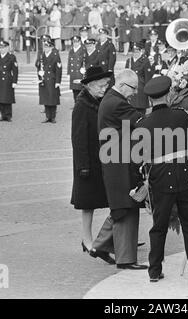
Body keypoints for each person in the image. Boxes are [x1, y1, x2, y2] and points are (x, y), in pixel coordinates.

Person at [136, 75, 188, 285]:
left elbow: (139, 156)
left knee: (158, 227)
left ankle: (154, 271)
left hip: (160, 179)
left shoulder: (143, 124)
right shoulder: (183, 115)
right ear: (168, 94)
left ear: (150, 100)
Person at [92, 69, 147, 270]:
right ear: (123, 85)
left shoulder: (112, 99)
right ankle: (125, 259)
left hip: (117, 160)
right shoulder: (117, 103)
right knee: (126, 206)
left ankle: (100, 246)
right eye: (132, 89)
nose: (134, 93)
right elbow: (142, 122)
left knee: (122, 205)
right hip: (119, 162)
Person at [71, 66, 112, 254]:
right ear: (90, 85)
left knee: (112, 200)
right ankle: (86, 239)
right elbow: (78, 139)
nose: (105, 89)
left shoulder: (100, 100)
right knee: (88, 205)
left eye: (106, 85)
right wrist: (83, 166)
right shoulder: (82, 105)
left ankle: (113, 237)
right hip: (88, 162)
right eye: (102, 86)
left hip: (103, 158)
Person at [0, 41, 18, 122]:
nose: (1, 49)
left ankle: (8, 115)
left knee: (7, 98)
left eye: (3, 48)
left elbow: (15, 70)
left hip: (7, 79)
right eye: (0, 48)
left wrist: (14, 82)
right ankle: (2, 115)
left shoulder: (11, 57)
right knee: (0, 98)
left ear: (7, 48)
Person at [36, 39, 62, 123]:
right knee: (45, 98)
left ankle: (53, 117)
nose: (46, 49)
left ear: (51, 47)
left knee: (52, 99)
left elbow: (58, 70)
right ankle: (47, 117)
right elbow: (38, 66)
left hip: (52, 79)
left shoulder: (55, 55)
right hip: (44, 79)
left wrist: (58, 82)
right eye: (45, 47)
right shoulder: (41, 56)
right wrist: (39, 74)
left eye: (47, 47)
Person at [125, 41, 148, 110]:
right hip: (129, 89)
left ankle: (140, 120)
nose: (136, 53)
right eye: (134, 51)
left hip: (140, 89)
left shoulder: (145, 61)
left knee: (140, 110)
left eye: (137, 51)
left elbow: (147, 77)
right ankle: (126, 122)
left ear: (141, 51)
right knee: (127, 113)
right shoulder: (129, 61)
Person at [68, 36, 86, 103]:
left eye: (77, 42)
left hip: (79, 73)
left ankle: (80, 105)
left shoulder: (83, 50)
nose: (75, 44)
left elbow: (85, 61)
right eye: (74, 42)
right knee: (74, 90)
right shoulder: (71, 50)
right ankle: (76, 104)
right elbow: (69, 62)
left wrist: (84, 70)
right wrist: (68, 72)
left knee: (80, 90)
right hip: (73, 74)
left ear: (80, 42)